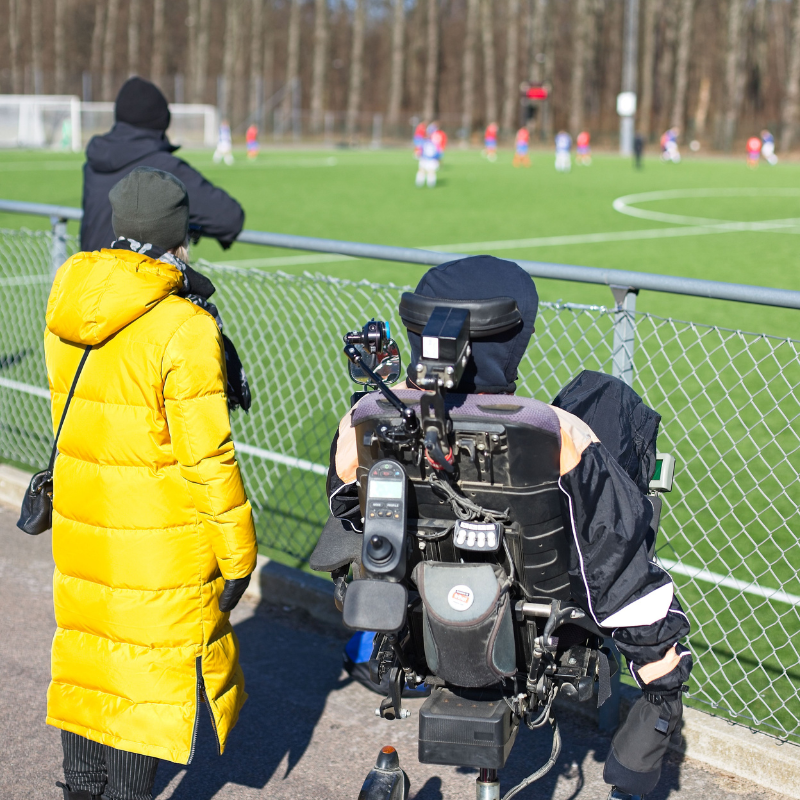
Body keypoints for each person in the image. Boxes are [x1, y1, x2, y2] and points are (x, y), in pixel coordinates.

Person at [326, 255, 692, 800]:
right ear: (511, 336)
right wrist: (663, 682)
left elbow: (345, 514)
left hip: (414, 619)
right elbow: (618, 565)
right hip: (543, 625)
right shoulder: (557, 433)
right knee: (606, 397)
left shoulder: (368, 419)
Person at [45, 167, 258, 800]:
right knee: (142, 685)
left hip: (85, 518)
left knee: (92, 662)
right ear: (178, 232)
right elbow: (209, 458)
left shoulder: (70, 295)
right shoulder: (185, 328)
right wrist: (239, 553)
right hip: (160, 536)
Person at [80, 77, 244, 252]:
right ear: (162, 120)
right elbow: (230, 217)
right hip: (134, 277)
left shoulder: (94, 162)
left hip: (89, 273)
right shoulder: (162, 169)